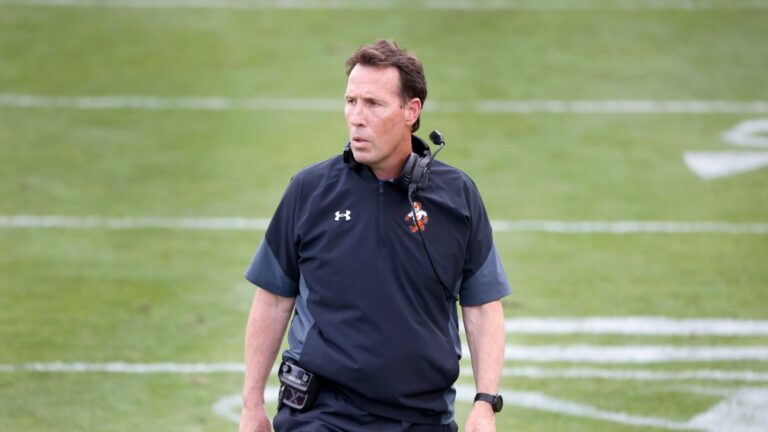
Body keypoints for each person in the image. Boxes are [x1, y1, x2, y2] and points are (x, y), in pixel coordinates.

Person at [240, 39, 511, 432]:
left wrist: (485, 403)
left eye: (373, 104)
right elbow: (273, 300)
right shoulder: (309, 190)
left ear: (411, 111)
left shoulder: (458, 196)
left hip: (423, 418)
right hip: (322, 414)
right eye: (351, 101)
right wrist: (251, 406)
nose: (356, 117)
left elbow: (483, 307)